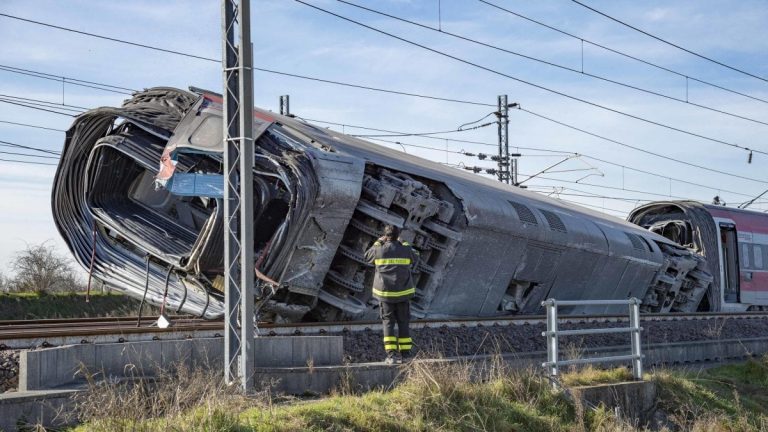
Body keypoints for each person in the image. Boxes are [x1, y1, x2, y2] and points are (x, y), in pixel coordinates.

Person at [365, 224, 419, 364]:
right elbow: (416, 256)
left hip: (385, 294)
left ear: (385, 236)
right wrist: (403, 241)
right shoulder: (406, 249)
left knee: (388, 323)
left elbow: (367, 256)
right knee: (403, 323)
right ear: (397, 235)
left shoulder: (378, 249)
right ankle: (406, 355)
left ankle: (391, 356)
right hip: (403, 294)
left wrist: (378, 241)